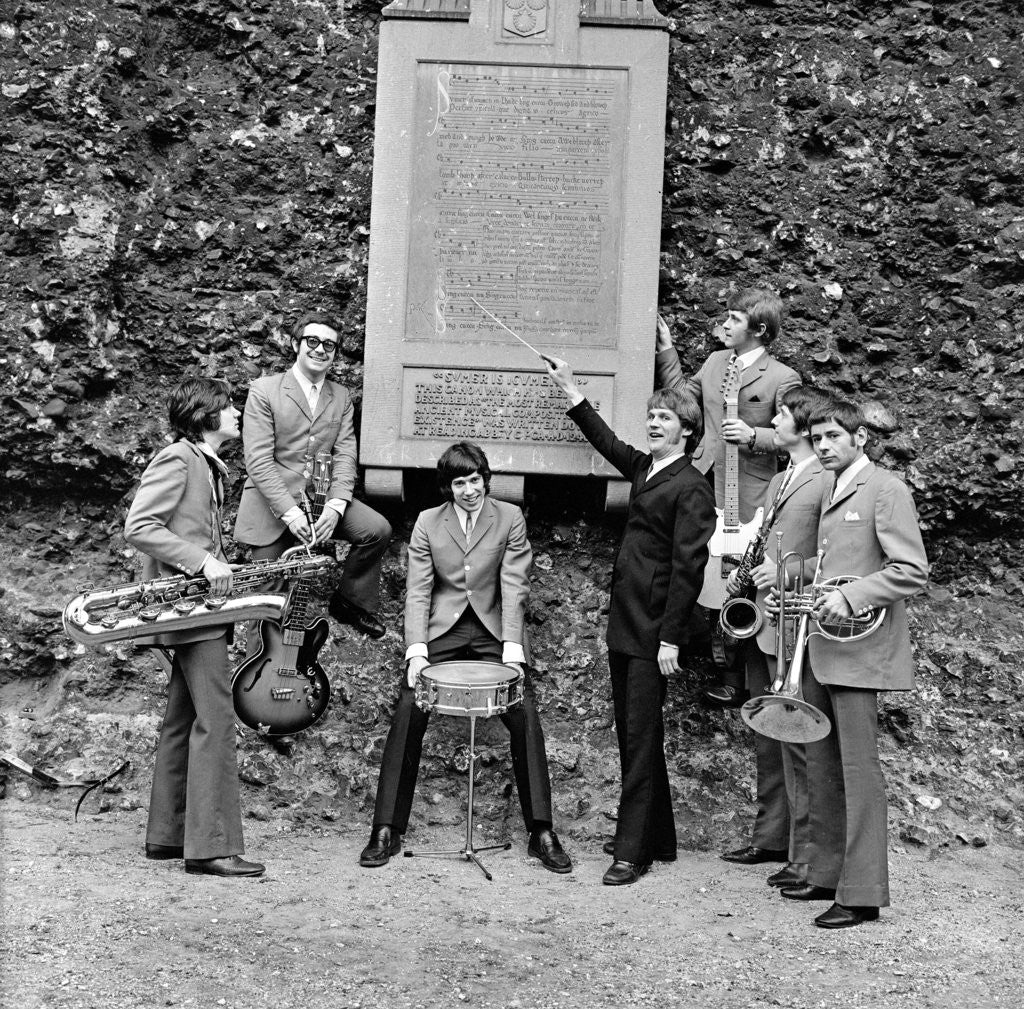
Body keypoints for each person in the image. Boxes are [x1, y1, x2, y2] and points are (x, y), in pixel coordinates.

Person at [359, 442, 572, 874]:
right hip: (444, 630)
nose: (470, 490)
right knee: (408, 705)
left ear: (485, 479)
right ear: (447, 487)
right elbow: (418, 590)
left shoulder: (510, 518)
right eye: (460, 483)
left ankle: (541, 831)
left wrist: (513, 651)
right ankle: (386, 828)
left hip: (494, 630)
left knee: (523, 709)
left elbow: (515, 585)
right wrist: (416, 651)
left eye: (475, 480)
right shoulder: (426, 522)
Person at [544, 356, 716, 885]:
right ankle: (659, 839)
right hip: (627, 623)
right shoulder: (648, 469)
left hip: (653, 633)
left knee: (639, 738)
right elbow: (606, 441)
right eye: (651, 417)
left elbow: (689, 570)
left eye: (664, 419)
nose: (653, 424)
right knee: (634, 734)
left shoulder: (693, 487)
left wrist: (670, 640)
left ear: (687, 429)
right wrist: (571, 388)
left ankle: (631, 851)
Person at [776, 399, 928, 928]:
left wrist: (854, 596)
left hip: (861, 651)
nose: (823, 446)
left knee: (860, 771)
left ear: (860, 438)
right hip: (823, 645)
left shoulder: (886, 488)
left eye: (833, 436)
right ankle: (825, 873)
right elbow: (836, 564)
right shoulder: (834, 488)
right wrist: (789, 587)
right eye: (817, 438)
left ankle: (862, 892)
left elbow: (911, 570)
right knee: (821, 764)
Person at [124, 378, 265, 877]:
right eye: (229, 407)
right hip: (190, 610)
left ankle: (168, 835)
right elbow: (140, 527)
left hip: (197, 609)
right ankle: (211, 846)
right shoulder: (180, 458)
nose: (237, 414)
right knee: (216, 717)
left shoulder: (206, 464)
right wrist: (203, 563)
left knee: (183, 719)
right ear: (206, 414)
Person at [655, 290, 801, 707]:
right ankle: (695, 651)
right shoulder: (717, 361)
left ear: (759, 330)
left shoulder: (782, 376)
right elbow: (687, 398)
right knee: (698, 568)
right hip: (703, 481)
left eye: (735, 319)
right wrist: (667, 352)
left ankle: (740, 677)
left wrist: (755, 436)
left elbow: (794, 434)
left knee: (741, 579)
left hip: (752, 491)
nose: (725, 324)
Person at [719, 387, 831, 889]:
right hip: (767, 621)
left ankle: (806, 857)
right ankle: (773, 837)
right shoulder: (783, 477)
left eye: (782, 414)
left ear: (804, 427)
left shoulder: (825, 479)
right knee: (770, 738)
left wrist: (781, 575)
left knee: (800, 743)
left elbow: (830, 556)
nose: (774, 420)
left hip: (797, 623)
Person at [234, 312, 391, 638]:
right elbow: (259, 462)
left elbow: (346, 454)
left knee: (377, 530)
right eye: (313, 342)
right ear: (296, 344)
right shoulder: (264, 391)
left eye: (329, 345)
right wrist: (290, 514)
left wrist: (335, 506)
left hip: (321, 497)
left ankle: (349, 601)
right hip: (272, 504)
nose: (320, 350)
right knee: (268, 598)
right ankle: (257, 678)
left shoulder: (341, 396)